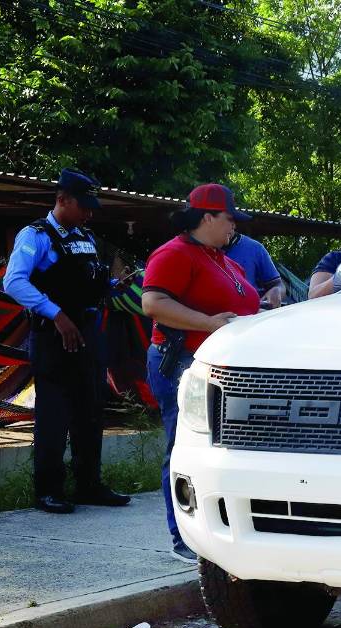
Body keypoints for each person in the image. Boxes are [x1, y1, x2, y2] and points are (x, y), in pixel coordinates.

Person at [142, 184, 262, 563]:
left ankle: (218, 530)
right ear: (207, 216)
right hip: (183, 362)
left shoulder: (221, 257)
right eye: (229, 218)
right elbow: (153, 303)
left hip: (222, 366)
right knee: (184, 447)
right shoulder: (174, 253)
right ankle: (183, 537)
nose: (234, 227)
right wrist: (209, 324)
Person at [2, 168, 130, 514]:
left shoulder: (85, 237)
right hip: (52, 336)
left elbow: (86, 283)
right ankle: (49, 490)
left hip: (88, 333)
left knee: (90, 411)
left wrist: (115, 286)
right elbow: (13, 282)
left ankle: (89, 484)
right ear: (62, 200)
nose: (89, 213)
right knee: (54, 415)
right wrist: (56, 314)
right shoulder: (35, 235)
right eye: (83, 206)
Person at [223, 232, 286, 309]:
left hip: (254, 317)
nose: (232, 225)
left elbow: (278, 285)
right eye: (229, 219)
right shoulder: (205, 252)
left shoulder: (255, 248)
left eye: (232, 220)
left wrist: (277, 291)